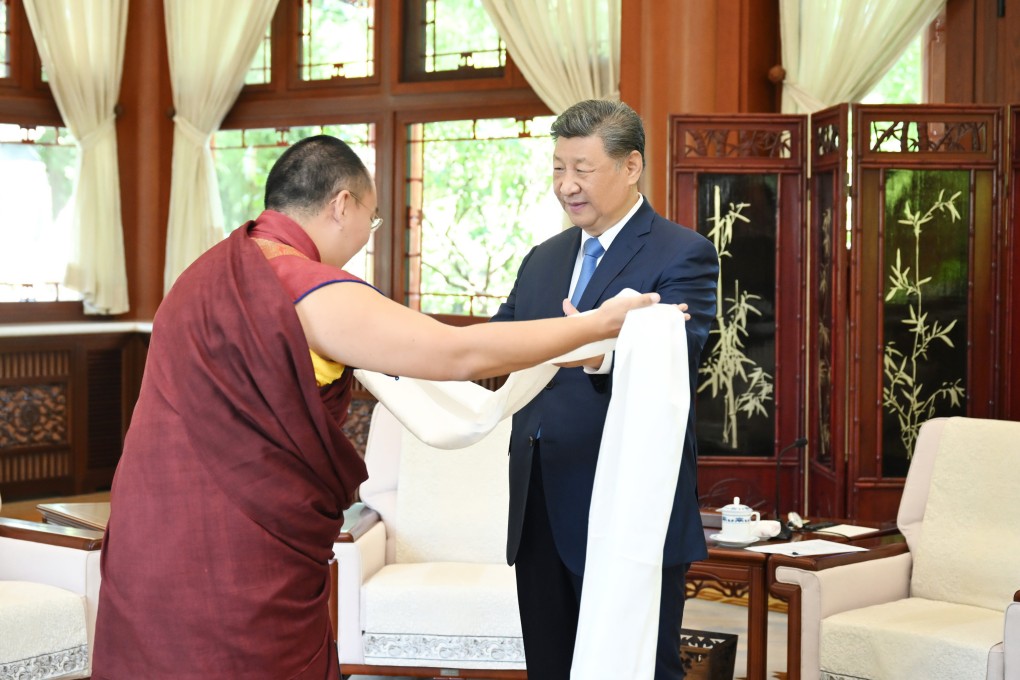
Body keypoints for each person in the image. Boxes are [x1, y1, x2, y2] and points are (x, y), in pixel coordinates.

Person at [91, 135, 661, 680]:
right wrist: (596, 325)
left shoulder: (205, 273)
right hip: (234, 549)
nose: (369, 234)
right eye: (373, 218)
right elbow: (458, 352)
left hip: (148, 525)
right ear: (343, 204)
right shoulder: (304, 285)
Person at [490, 99, 719, 679]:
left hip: (629, 506)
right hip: (539, 508)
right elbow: (496, 345)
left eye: (582, 169)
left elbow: (683, 353)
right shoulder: (542, 259)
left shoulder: (682, 252)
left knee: (637, 668)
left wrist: (599, 352)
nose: (566, 185)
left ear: (631, 166)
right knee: (550, 667)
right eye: (557, 168)